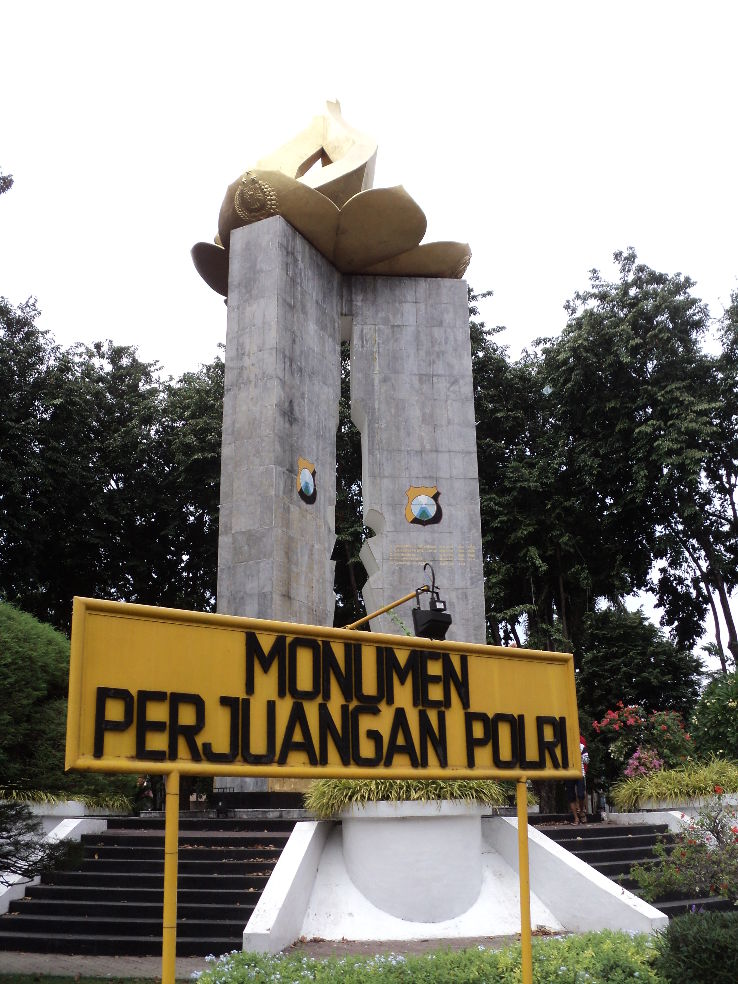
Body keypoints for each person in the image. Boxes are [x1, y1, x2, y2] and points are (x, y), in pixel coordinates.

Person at [565, 736, 589, 824]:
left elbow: (587, 760)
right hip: (568, 773)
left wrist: (578, 756)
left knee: (581, 794)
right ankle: (576, 818)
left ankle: (581, 811)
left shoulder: (581, 746)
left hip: (580, 773)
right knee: (571, 796)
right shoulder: (565, 747)